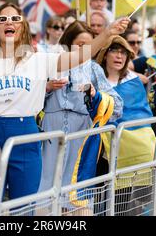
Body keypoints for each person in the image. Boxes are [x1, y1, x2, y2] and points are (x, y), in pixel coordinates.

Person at [0, 3, 129, 209]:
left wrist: (108, 32)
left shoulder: (38, 60)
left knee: (24, 208)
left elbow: (81, 55)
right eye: (2, 19)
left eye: (15, 19)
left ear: (24, 26)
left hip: (27, 136)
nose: (8, 23)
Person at [38, 21, 123, 212]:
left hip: (81, 134)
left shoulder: (94, 69)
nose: (85, 50)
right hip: (52, 131)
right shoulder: (52, 62)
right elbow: (30, 97)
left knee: (76, 191)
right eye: (80, 45)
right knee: (48, 185)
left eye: (89, 45)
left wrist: (96, 95)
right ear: (69, 43)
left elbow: (117, 106)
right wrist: (47, 87)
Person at [95, 36, 156, 215]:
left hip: (132, 147)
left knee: (121, 201)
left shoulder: (133, 81)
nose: (119, 56)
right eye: (114, 50)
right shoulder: (94, 78)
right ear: (105, 54)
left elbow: (141, 112)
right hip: (100, 147)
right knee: (99, 196)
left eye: (123, 53)